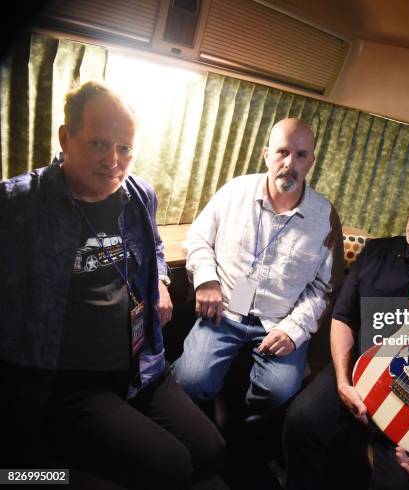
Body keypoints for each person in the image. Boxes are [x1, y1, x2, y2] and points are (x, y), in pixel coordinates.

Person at [0, 80, 224, 489]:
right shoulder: (19, 203)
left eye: (124, 149)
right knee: (171, 468)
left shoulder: (139, 196)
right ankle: (37, 474)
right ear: (66, 138)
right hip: (70, 381)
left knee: (211, 451)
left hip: (140, 366)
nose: (113, 161)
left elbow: (154, 245)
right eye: (99, 144)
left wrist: (158, 279)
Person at [283, 169, 409, 490]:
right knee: (300, 421)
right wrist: (341, 381)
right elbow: (343, 318)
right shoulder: (377, 251)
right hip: (358, 373)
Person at [173, 117, 343, 418]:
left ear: (311, 161)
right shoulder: (234, 192)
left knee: (276, 393)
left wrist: (294, 330)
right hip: (223, 311)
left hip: (278, 322)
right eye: (282, 152)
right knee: (189, 382)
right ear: (266, 154)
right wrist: (206, 280)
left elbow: (324, 288)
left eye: (301, 155)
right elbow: (197, 238)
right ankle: (201, 424)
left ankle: (240, 428)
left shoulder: (325, 216)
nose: (290, 163)